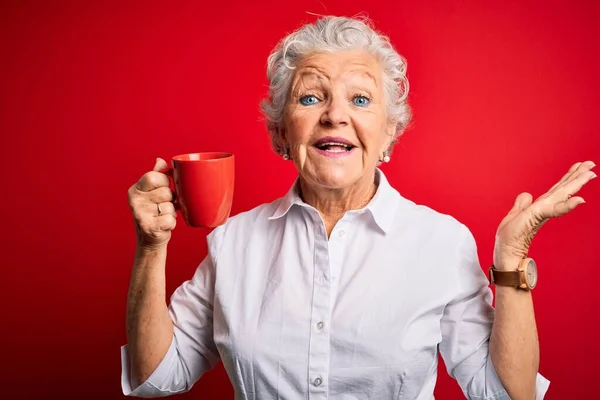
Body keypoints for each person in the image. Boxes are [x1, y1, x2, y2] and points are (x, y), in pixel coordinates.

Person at [121, 15, 596, 399]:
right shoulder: (233, 243)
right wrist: (151, 247)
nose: (335, 114)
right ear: (281, 133)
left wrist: (510, 265)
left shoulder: (441, 243)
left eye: (361, 99)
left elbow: (506, 394)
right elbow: (158, 375)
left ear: (390, 132)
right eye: (311, 97)